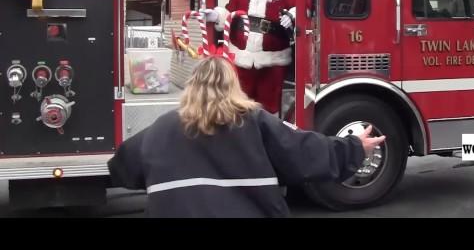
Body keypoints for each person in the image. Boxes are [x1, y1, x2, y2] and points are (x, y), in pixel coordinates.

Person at [107, 56, 386, 218]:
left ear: (191, 86)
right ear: (233, 84)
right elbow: (304, 151)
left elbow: (122, 169)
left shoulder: (160, 129)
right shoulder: (255, 121)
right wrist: (354, 146)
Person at [204, 0, 295, 114]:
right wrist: (216, 16)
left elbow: (303, 8)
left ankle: (268, 135)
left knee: (270, 103)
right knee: (239, 100)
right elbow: (230, 12)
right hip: (241, 55)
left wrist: (293, 15)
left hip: (274, 58)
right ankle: (242, 134)